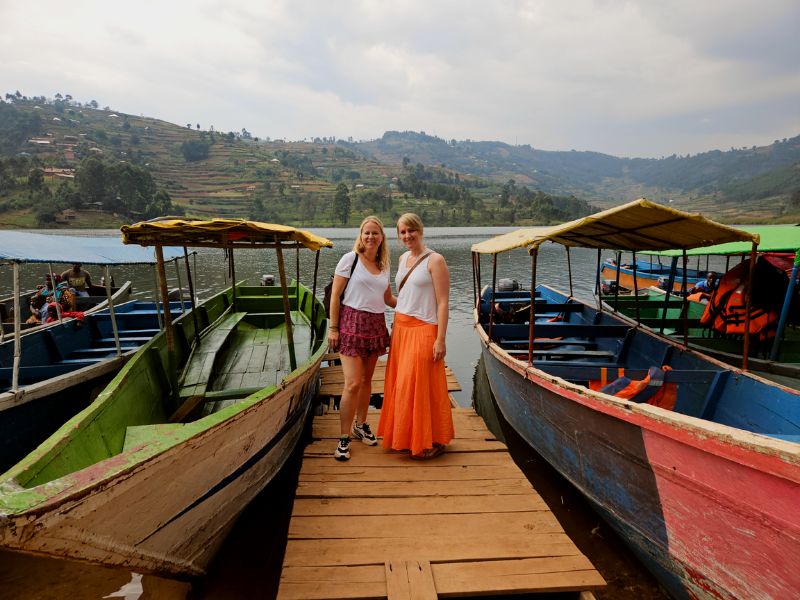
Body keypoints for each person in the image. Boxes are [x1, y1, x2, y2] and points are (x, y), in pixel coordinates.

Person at [378, 213, 454, 459]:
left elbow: (443, 303)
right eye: (402, 232)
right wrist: (380, 292)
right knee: (402, 385)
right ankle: (406, 437)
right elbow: (403, 300)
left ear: (420, 231)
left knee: (420, 384)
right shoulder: (402, 259)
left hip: (424, 329)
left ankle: (430, 440)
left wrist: (440, 339)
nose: (407, 236)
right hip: (401, 329)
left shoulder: (435, 260)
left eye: (411, 230)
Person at [328, 216, 394, 461]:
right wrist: (333, 328)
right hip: (351, 323)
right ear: (361, 235)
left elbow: (388, 299)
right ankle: (343, 437)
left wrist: (415, 306)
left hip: (375, 325)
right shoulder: (350, 259)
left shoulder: (383, 265)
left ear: (382, 237)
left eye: (375, 233)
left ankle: (361, 424)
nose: (370, 237)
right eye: (367, 232)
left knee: (366, 381)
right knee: (353, 383)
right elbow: (335, 296)